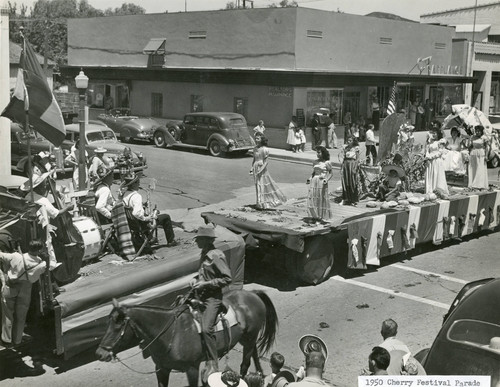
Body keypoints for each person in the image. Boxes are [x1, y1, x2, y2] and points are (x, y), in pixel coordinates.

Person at [191, 224, 232, 378]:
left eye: (199, 239)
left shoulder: (216, 255)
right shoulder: (204, 253)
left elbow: (227, 278)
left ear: (206, 240)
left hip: (212, 298)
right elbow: (202, 274)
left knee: (207, 328)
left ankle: (213, 363)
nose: (196, 242)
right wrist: (195, 279)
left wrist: (206, 284)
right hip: (200, 293)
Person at [1, 240, 47, 347]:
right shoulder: (40, 263)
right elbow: (46, 266)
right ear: (39, 250)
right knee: (21, 316)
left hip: (11, 287)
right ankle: (17, 340)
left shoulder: (16, 256)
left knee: (8, 315)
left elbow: (1, 256)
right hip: (25, 290)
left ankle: (7, 340)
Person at [121, 172, 178, 247]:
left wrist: (142, 205)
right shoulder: (137, 196)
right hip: (141, 224)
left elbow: (130, 206)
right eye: (138, 182)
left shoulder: (125, 194)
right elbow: (136, 213)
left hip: (131, 223)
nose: (139, 184)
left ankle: (150, 238)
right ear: (133, 184)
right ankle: (171, 241)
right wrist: (146, 218)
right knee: (166, 217)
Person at [251, 134, 287, 209]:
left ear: (262, 140)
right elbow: (254, 159)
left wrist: (261, 170)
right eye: (255, 138)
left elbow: (266, 162)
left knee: (263, 185)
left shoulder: (265, 149)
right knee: (258, 185)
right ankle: (259, 203)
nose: (256, 140)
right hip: (256, 167)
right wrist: (252, 168)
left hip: (262, 168)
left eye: (258, 138)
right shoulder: (255, 148)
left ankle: (264, 203)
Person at [306, 146, 334, 222]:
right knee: (312, 197)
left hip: (322, 181)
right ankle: (315, 216)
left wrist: (327, 180)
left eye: (319, 152)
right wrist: (309, 178)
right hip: (314, 181)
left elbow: (331, 173)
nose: (317, 154)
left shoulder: (327, 163)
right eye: (317, 152)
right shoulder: (315, 162)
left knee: (321, 198)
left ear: (323, 153)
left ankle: (321, 216)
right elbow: (314, 172)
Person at [424, 127, 449, 195]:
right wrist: (427, 157)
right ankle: (430, 190)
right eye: (432, 133)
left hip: (436, 160)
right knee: (431, 174)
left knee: (437, 174)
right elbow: (427, 151)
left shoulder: (439, 142)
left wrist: (432, 157)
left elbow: (440, 152)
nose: (433, 135)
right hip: (430, 161)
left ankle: (438, 190)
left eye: (435, 133)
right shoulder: (429, 143)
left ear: (438, 134)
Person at [468, 125, 489, 190]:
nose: (477, 132)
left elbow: (487, 148)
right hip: (473, 153)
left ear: (481, 131)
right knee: (473, 168)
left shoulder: (484, 138)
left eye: (479, 131)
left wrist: (486, 155)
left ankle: (479, 184)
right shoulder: (472, 137)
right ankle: (473, 183)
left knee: (480, 169)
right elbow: (470, 146)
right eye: (476, 131)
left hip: (481, 153)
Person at [341, 137, 360, 206]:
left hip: (352, 164)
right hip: (346, 164)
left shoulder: (356, 148)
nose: (349, 142)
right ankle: (346, 198)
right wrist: (342, 167)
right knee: (346, 181)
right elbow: (344, 158)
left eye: (350, 140)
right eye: (348, 140)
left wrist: (355, 167)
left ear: (353, 141)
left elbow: (357, 159)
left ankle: (353, 199)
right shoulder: (346, 148)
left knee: (352, 181)